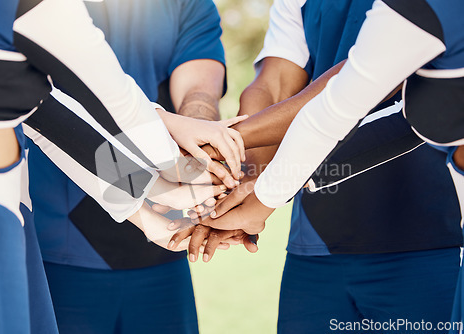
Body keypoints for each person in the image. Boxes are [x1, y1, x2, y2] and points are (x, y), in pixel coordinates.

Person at [170, 0, 463, 333]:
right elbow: (273, 86)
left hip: (427, 239)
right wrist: (248, 184)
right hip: (315, 246)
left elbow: (349, 94)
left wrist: (223, 147)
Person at [0, 0, 246, 332]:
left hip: (6, 209)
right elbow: (111, 97)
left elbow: (46, 115)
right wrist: (177, 172)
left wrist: (146, 203)